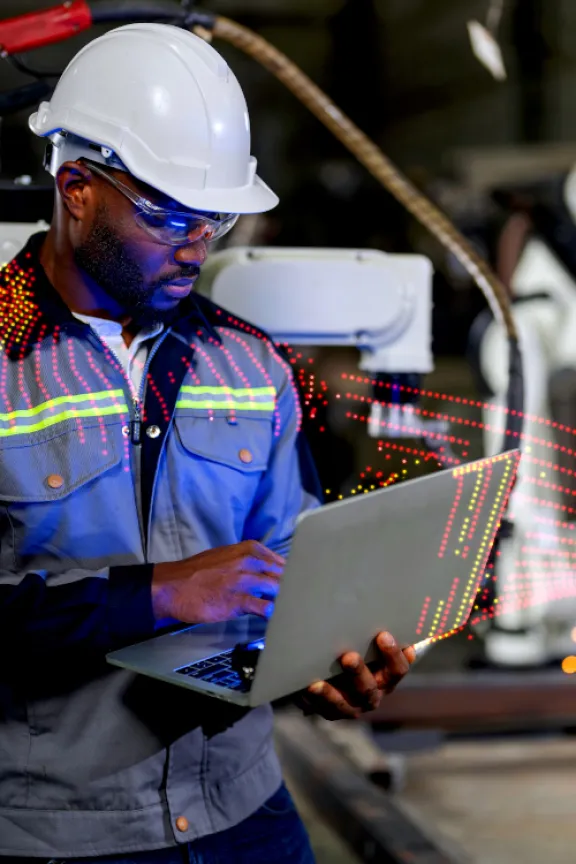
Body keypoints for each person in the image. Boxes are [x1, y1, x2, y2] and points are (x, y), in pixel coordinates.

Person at [0, 23, 415, 864]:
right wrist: (152, 595)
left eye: (216, 218)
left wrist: (325, 670)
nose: (197, 244)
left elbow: (286, 581)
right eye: (170, 214)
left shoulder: (250, 365)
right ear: (76, 186)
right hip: (60, 834)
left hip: (245, 815)